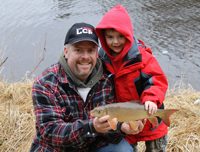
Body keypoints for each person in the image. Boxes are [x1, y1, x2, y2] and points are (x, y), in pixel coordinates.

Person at [29, 22, 146, 152]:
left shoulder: (108, 78)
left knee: (123, 149)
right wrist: (91, 127)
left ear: (97, 52)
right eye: (78, 50)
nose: (85, 57)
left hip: (94, 145)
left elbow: (109, 125)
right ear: (66, 52)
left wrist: (121, 128)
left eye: (90, 50)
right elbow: (51, 133)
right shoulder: (45, 83)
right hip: (56, 149)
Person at [95, 5, 169, 152]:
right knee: (128, 148)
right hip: (125, 120)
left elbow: (157, 80)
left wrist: (151, 99)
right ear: (103, 38)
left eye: (120, 36)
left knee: (155, 149)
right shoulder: (101, 60)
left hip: (150, 118)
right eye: (110, 37)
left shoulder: (143, 57)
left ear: (128, 35)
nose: (115, 42)